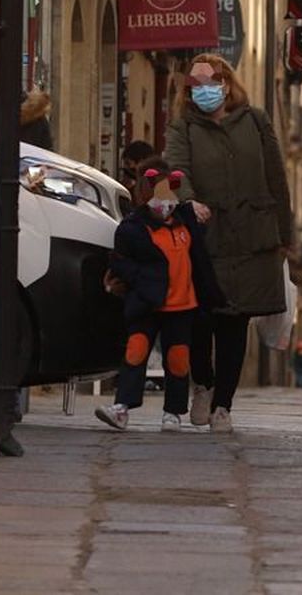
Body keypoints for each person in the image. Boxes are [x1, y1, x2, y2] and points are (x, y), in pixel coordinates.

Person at [165, 53, 292, 434]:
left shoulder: (256, 121)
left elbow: (277, 176)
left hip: (253, 235)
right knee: (203, 318)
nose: (204, 89)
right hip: (207, 237)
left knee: (237, 321)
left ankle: (223, 404)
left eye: (211, 80)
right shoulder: (183, 127)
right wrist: (189, 200)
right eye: (196, 83)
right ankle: (202, 384)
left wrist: (285, 234)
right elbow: (176, 170)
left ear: (227, 81)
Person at [95, 157, 224, 432]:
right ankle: (122, 407)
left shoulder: (185, 223)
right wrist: (139, 280)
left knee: (178, 358)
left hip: (182, 306)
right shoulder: (132, 229)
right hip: (147, 303)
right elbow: (119, 261)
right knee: (136, 350)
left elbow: (200, 253)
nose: (164, 201)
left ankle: (173, 412)